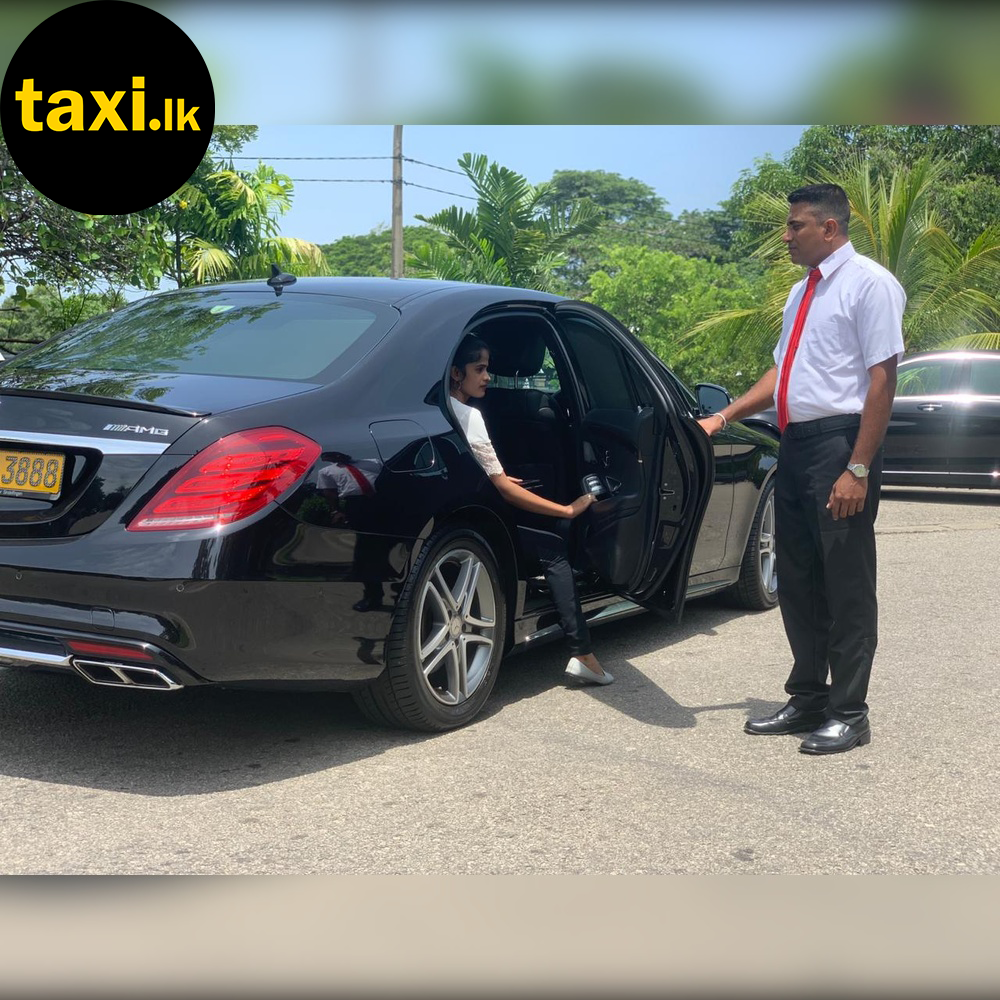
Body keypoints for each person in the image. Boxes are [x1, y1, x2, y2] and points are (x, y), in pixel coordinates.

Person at [698, 183, 905, 755]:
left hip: (842, 444)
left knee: (846, 581)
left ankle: (850, 712)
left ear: (829, 229)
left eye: (795, 227)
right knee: (798, 577)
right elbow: (781, 377)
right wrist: (723, 415)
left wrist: (858, 468)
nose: (786, 236)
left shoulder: (870, 285)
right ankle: (808, 696)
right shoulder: (800, 294)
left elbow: (882, 380)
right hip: (795, 444)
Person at [449, 334, 613, 686]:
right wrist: (567, 510)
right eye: (479, 369)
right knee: (553, 552)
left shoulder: (441, 408)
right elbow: (504, 489)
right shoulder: (471, 416)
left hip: (461, 520)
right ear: (456, 374)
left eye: (488, 369)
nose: (487, 376)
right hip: (489, 524)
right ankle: (582, 653)